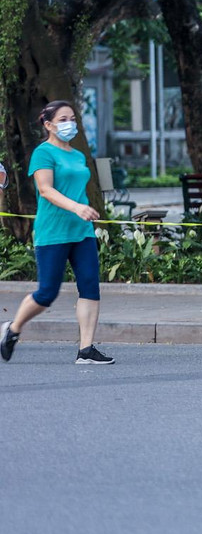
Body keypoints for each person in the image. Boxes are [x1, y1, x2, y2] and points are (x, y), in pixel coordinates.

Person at [0, 101, 112, 365]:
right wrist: (77, 207)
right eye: (63, 119)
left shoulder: (77, 155)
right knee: (47, 292)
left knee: (90, 286)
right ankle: (12, 329)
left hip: (81, 231)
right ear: (48, 125)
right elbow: (46, 190)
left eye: (72, 118)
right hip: (53, 231)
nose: (69, 123)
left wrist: (83, 212)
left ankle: (86, 350)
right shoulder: (43, 153)